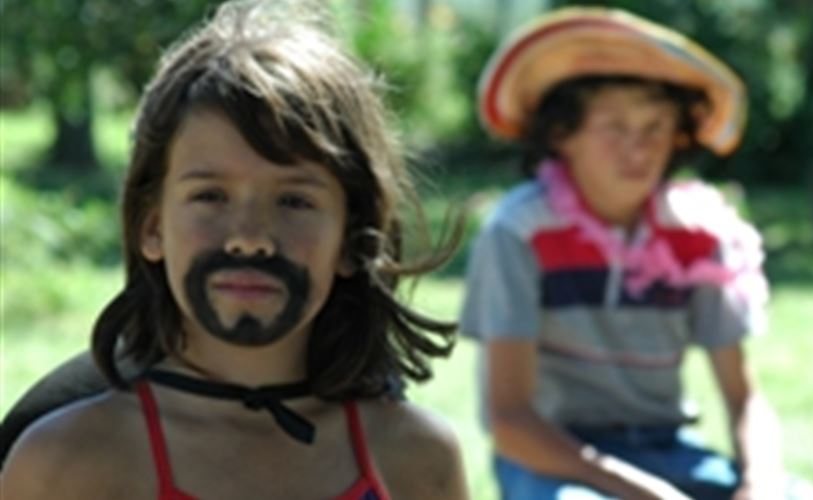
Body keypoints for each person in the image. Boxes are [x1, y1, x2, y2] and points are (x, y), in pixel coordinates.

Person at [0, 1, 469, 498]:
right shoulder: (67, 464)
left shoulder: (416, 460)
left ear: (353, 240)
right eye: (210, 196)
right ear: (151, 226)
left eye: (294, 201)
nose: (250, 237)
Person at [460, 7, 813, 500]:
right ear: (561, 134)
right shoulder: (517, 232)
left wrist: (759, 484)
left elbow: (744, 398)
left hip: (670, 448)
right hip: (556, 460)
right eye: (614, 127)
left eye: (656, 127)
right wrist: (642, 492)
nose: (638, 148)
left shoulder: (700, 233)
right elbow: (511, 422)